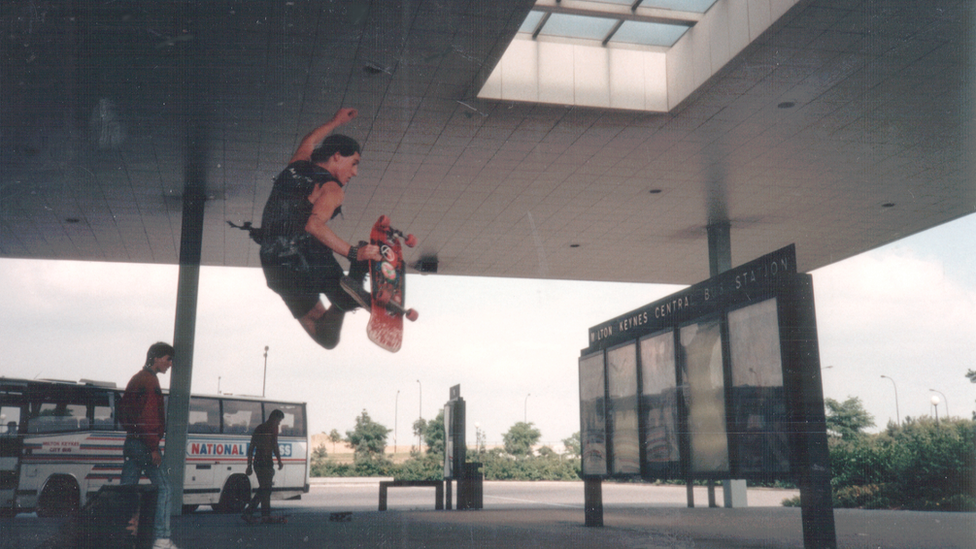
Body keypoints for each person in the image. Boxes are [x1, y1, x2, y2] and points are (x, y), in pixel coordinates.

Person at [254, 107, 381, 350]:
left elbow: (309, 141)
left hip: (273, 264)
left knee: (327, 338)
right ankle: (357, 270)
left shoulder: (296, 165)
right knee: (345, 299)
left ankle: (353, 279)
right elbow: (313, 225)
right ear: (336, 157)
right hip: (303, 256)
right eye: (354, 163)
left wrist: (335, 122)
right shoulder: (333, 189)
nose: (354, 172)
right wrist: (353, 253)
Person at [118, 342, 179, 549]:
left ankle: (122, 536)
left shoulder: (136, 378)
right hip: (145, 444)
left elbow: (124, 413)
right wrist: (154, 447)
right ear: (156, 358)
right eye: (168, 359)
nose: (170, 364)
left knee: (127, 490)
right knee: (165, 489)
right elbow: (150, 416)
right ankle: (162, 539)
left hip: (132, 441)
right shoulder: (150, 382)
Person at [242, 409, 285, 521]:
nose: (279, 423)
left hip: (265, 463)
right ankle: (257, 513)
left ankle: (259, 513)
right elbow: (253, 447)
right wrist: (249, 465)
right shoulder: (263, 429)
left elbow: (274, 446)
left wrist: (279, 461)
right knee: (265, 489)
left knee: (265, 489)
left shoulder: (268, 428)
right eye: (279, 420)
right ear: (274, 418)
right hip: (261, 463)